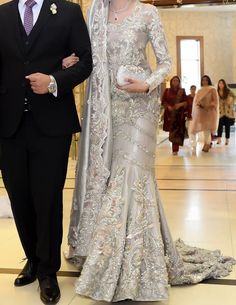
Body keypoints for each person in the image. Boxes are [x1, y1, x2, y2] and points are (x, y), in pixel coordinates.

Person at [65, 0, 235, 302]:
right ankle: (111, 251)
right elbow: (90, 57)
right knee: (110, 176)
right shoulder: (95, 11)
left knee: (130, 176)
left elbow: (165, 62)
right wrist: (73, 60)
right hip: (107, 108)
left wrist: (146, 85)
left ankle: (132, 264)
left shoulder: (148, 12)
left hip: (139, 106)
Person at [0, 0, 92, 304]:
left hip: (52, 125)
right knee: (19, 195)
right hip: (8, 124)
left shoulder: (67, 11)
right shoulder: (1, 13)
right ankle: (33, 258)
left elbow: (85, 61)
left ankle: (48, 271)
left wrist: (54, 81)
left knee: (47, 197)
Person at [189, 75, 219, 153]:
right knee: (194, 130)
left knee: (207, 130)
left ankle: (207, 144)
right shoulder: (199, 90)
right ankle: (195, 145)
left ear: (209, 81)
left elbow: (215, 102)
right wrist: (199, 104)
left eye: (206, 80)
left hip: (209, 112)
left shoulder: (212, 89)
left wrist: (207, 106)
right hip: (200, 112)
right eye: (203, 80)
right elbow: (196, 102)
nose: (204, 81)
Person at [161, 76, 188, 155]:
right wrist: (168, 106)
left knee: (176, 131)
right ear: (171, 82)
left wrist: (180, 104)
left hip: (179, 115)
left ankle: (175, 149)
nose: (175, 82)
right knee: (172, 131)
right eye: (174, 80)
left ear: (179, 82)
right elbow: (163, 101)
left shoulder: (182, 91)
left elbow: (186, 102)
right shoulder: (167, 91)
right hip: (170, 115)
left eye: (177, 81)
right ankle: (175, 147)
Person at [216, 79, 235, 145]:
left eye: (222, 83)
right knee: (219, 125)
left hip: (227, 111)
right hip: (220, 111)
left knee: (227, 125)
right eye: (219, 83)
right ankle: (219, 139)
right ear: (218, 84)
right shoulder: (216, 91)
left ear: (224, 84)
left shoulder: (228, 91)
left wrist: (229, 102)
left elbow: (233, 97)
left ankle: (227, 140)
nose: (221, 85)